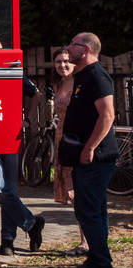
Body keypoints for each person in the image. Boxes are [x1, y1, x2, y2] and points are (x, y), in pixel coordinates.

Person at [0, 37, 45, 256]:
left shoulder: (11, 71)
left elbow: (35, 93)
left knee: (9, 186)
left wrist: (26, 118)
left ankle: (7, 239)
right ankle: (32, 224)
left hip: (10, 135)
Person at [63, 32, 119, 268]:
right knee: (94, 211)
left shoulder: (97, 76)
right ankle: (96, 260)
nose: (67, 48)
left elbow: (107, 115)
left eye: (72, 45)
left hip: (95, 159)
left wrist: (90, 148)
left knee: (88, 212)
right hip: (87, 157)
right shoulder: (83, 76)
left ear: (85, 49)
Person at [50, 47, 88, 255]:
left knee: (79, 193)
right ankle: (85, 240)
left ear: (74, 63)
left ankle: (87, 241)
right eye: (58, 62)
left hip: (75, 142)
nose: (62, 65)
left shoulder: (80, 84)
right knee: (73, 194)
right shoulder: (58, 84)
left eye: (66, 61)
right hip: (62, 141)